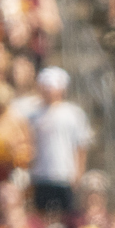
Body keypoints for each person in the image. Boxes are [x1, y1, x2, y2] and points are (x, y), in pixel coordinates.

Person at [29, 69, 94, 218]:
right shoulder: (34, 115)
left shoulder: (74, 114)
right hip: (41, 176)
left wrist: (78, 175)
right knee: (42, 216)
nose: (48, 90)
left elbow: (81, 146)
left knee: (66, 217)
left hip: (65, 176)